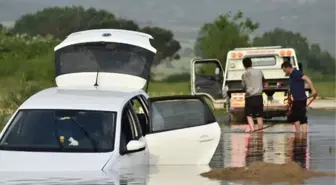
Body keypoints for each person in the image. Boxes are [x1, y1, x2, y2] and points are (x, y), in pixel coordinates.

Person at [281, 61, 317, 133]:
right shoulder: (291, 75)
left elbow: (307, 79)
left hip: (301, 99)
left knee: (302, 118)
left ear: (288, 67)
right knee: (295, 117)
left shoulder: (296, 73)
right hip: (296, 100)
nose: (284, 71)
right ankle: (298, 133)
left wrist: (313, 90)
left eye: (284, 70)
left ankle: (304, 135)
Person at [241, 57, 265, 132]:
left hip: (249, 97)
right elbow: (263, 81)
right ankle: (260, 132)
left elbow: (243, 86)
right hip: (259, 97)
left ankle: (252, 130)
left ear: (244, 65)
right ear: (251, 63)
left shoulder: (244, 74)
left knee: (249, 115)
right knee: (259, 116)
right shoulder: (259, 71)